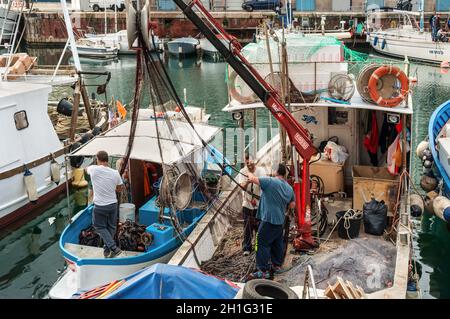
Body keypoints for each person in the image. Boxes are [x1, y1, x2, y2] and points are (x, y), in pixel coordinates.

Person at [245, 163, 295, 280]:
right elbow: (292, 205)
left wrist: (248, 173)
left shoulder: (270, 181)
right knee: (277, 242)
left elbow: (253, 179)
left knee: (261, 242)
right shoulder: (289, 188)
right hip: (279, 221)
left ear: (277, 172)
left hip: (268, 220)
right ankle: (276, 266)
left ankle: (262, 270)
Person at [86, 151, 124, 258]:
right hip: (112, 205)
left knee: (99, 226)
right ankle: (106, 249)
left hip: (100, 206)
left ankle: (113, 247)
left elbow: (86, 169)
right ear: (107, 160)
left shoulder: (93, 169)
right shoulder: (115, 173)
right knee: (111, 227)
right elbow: (120, 188)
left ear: (97, 159)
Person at [237, 154, 265, 256]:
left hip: (259, 204)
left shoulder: (261, 171)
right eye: (247, 163)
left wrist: (254, 179)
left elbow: (264, 185)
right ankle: (247, 248)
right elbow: (241, 186)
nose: (250, 165)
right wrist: (248, 182)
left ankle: (258, 247)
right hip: (247, 203)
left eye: (251, 163)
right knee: (247, 228)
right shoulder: (242, 172)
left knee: (259, 228)